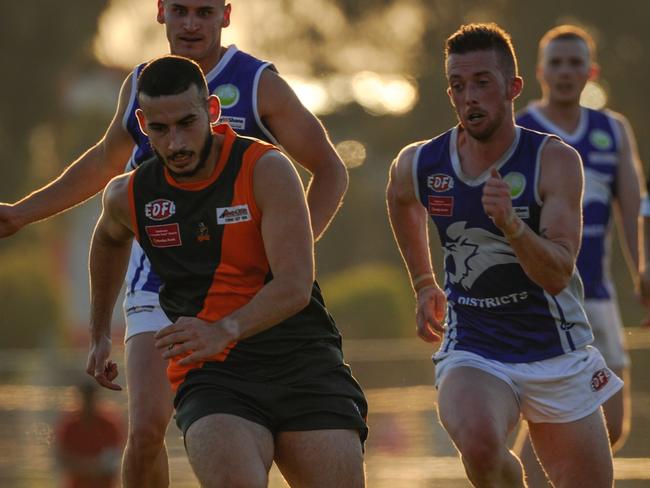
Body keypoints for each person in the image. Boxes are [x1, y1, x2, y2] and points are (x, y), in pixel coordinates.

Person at [0, 1, 348, 486]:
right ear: (160, 12)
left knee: (281, 423)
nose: (190, 24)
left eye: (204, 12)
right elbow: (105, 167)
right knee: (144, 430)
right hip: (159, 281)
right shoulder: (141, 84)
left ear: (225, 16)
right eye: (180, 10)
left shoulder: (256, 82)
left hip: (246, 285)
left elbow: (330, 167)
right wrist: (21, 212)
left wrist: (291, 251)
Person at [88, 54, 367, 487]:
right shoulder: (132, 194)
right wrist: (100, 331)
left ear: (212, 112)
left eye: (186, 123)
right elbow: (107, 239)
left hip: (301, 360)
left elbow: (294, 286)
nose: (176, 143)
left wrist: (222, 328)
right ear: (142, 124)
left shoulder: (266, 169)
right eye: (160, 129)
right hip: (214, 374)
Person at [386, 23, 622, 488]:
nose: (468, 97)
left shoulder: (553, 161)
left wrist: (512, 225)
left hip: (554, 349)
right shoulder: (422, 162)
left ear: (513, 88)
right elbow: (398, 197)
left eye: (481, 83)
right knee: (478, 443)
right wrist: (422, 282)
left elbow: (557, 274)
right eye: (457, 86)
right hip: (476, 347)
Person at [515, 24, 646, 485]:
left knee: (612, 422)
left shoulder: (614, 129)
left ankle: (526, 472)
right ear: (539, 71)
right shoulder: (520, 130)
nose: (566, 72)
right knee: (556, 416)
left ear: (591, 71)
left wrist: (644, 269)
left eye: (575, 63)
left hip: (598, 294)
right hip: (541, 296)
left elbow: (634, 206)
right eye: (556, 62)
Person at [54, 381, 125, 488]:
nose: (88, 403)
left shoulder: (109, 424)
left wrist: (82, 466)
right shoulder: (69, 426)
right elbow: (62, 459)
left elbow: (113, 461)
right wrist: (94, 467)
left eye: (91, 398)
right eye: (85, 398)